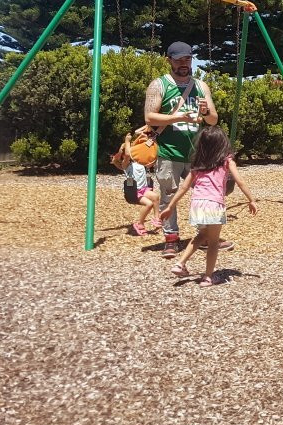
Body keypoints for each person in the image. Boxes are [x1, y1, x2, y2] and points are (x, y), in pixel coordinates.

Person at [144, 40, 234, 258]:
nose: (184, 64)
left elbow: (213, 120)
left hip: (198, 154)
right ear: (169, 61)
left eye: (187, 59)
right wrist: (179, 116)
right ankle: (171, 238)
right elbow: (149, 117)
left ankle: (203, 236)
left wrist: (205, 113)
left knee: (205, 195)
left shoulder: (201, 86)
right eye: (179, 60)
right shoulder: (159, 85)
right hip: (169, 151)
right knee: (169, 195)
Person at [161, 125, 257, 286]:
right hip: (214, 204)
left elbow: (184, 187)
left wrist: (171, 206)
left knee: (201, 235)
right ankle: (208, 276)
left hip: (197, 204)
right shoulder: (227, 161)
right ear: (222, 144)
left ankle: (180, 263)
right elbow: (239, 181)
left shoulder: (197, 164)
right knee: (213, 243)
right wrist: (251, 200)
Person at [109, 133, 162, 236]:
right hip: (133, 191)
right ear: (124, 155)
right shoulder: (125, 165)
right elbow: (128, 155)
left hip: (143, 189)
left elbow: (151, 161)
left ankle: (156, 218)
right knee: (149, 204)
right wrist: (127, 141)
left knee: (155, 197)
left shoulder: (139, 162)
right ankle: (140, 224)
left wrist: (149, 142)